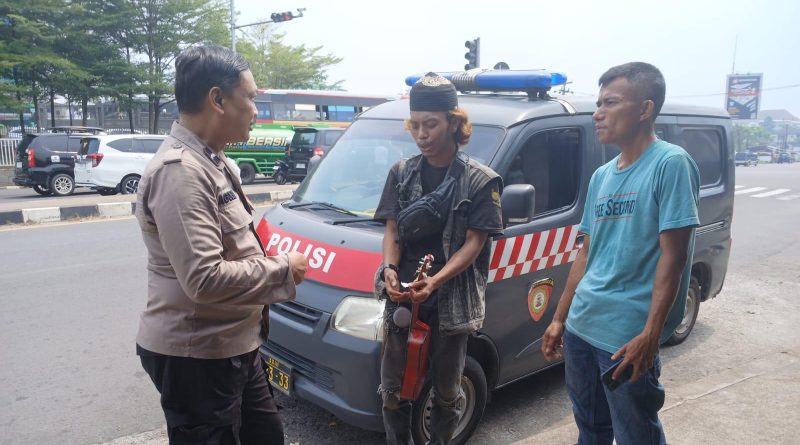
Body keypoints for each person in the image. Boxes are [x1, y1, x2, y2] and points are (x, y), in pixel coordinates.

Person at [134, 45, 308, 445]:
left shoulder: (215, 161)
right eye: (250, 98)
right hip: (198, 357)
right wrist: (283, 268)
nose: (256, 111)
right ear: (218, 99)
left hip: (234, 345)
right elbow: (204, 278)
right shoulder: (180, 172)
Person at [541, 62, 700, 445]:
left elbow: (674, 258)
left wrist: (651, 334)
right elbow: (586, 253)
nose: (598, 113)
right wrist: (559, 319)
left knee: (636, 436)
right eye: (599, 104)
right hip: (581, 328)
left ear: (644, 109)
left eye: (610, 103)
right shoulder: (602, 176)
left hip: (625, 338)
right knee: (591, 432)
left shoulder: (670, 164)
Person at [373, 72, 503, 445]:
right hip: (402, 298)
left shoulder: (481, 181)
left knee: (447, 393)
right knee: (393, 390)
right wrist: (390, 269)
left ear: (454, 122)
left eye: (430, 124)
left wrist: (435, 281)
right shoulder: (401, 173)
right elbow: (392, 230)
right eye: (415, 125)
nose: (421, 134)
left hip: (451, 302)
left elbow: (474, 243)